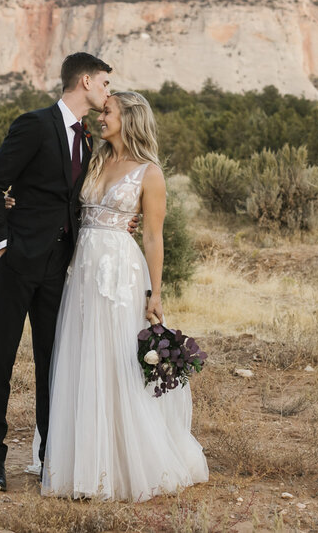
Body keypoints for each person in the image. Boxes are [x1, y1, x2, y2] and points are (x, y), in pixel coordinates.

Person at [40, 91, 209, 502]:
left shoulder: (149, 173)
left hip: (120, 271)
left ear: (129, 117)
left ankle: (123, 459)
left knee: (117, 356)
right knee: (83, 354)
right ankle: (83, 460)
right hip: (82, 269)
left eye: (108, 111)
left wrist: (155, 292)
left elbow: (153, 236)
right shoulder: (93, 159)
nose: (100, 116)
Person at [0, 52, 113, 491]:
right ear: (86, 81)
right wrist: (0, 245)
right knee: (1, 358)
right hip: (16, 264)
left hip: (59, 269)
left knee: (53, 365)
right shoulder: (34, 124)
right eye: (106, 84)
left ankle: (49, 455)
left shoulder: (87, 140)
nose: (108, 92)